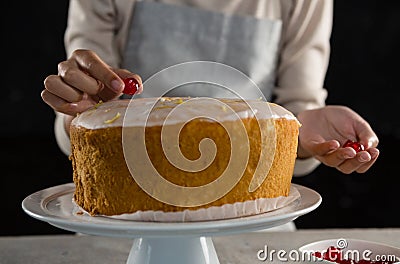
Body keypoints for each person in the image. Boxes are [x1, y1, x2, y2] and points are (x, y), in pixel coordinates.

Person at [42, 0, 379, 177]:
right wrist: (81, 111)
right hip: (122, 219)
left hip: (250, 214)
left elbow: (295, 114)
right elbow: (87, 110)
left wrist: (307, 135)